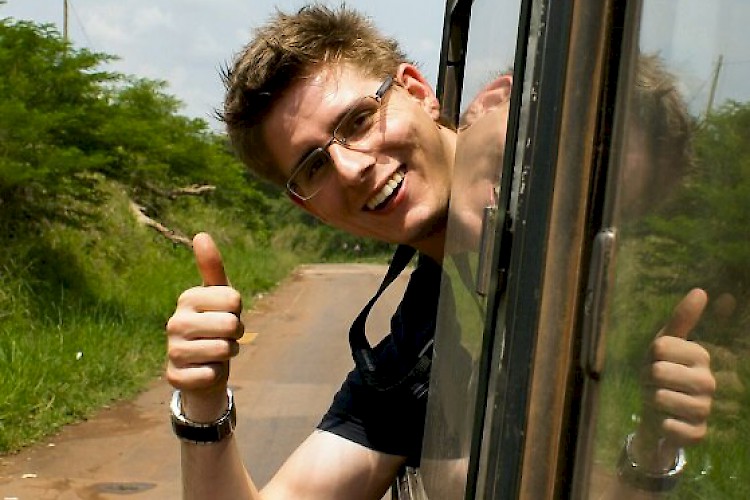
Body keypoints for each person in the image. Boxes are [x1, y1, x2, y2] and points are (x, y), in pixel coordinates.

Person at [164, 5, 715, 499]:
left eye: (590, 207)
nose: (353, 167)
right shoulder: (420, 340)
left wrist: (656, 440)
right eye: (314, 165)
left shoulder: (610, 318)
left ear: (421, 92)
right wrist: (202, 402)